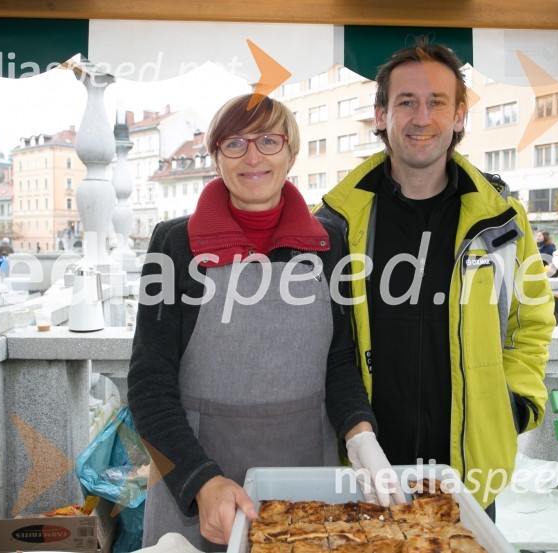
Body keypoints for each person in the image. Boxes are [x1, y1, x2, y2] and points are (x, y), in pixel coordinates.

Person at [128, 94, 400, 551]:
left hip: (305, 478)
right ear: (216, 157)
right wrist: (201, 481)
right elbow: (148, 384)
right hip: (198, 486)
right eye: (235, 143)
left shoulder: (328, 242)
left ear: (292, 153)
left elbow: (339, 364)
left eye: (269, 141)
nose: (253, 156)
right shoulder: (175, 244)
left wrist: (361, 435)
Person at [316, 36, 555, 517]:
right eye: (406, 102)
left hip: (469, 475)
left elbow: (531, 323)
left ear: (460, 115)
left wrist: (516, 403)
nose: (421, 118)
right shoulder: (336, 223)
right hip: (366, 470)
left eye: (436, 103)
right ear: (381, 115)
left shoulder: (502, 224)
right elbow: (325, 343)